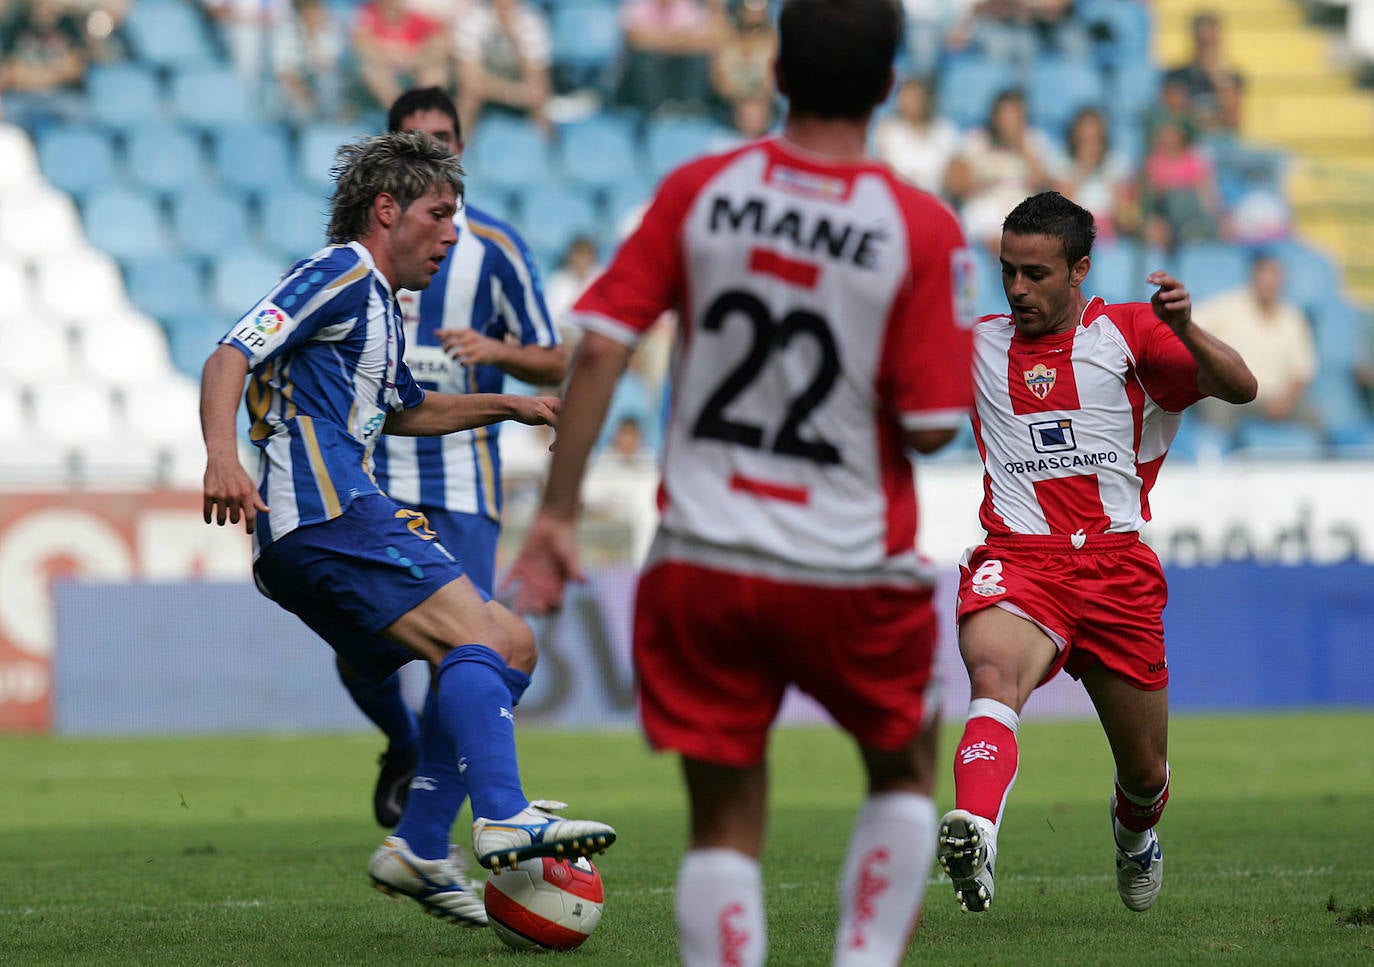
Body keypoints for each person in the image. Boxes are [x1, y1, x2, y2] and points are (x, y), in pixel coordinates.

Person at [507, 2, 975, 964]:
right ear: (890, 85)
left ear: (776, 72)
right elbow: (932, 427)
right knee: (905, 766)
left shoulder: (702, 190)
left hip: (704, 556)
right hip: (848, 561)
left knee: (721, 818)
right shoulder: (920, 227)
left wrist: (558, 512)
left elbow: (604, 346)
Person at [200, 130, 614, 930]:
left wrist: (512, 403)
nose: (453, 233)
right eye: (440, 214)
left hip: (325, 521)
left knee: (509, 642)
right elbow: (229, 354)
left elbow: (405, 411)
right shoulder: (340, 271)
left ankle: (422, 843)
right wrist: (222, 454)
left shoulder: (382, 304)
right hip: (326, 510)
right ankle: (501, 813)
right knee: (483, 638)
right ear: (386, 210)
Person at [935, 190, 1256, 916]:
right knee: (993, 675)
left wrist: (1187, 329)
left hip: (1117, 570)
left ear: (1079, 269)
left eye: (1036, 274)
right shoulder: (978, 345)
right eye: (1007, 271)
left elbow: (1242, 387)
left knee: (1145, 771)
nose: (1018, 288)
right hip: (1021, 560)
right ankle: (977, 830)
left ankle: (1135, 834)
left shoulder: (1130, 334)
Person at [356, 85, 568, 832]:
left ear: (462, 145)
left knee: (468, 646)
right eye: (415, 141)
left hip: (462, 484)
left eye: (443, 139)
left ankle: (427, 827)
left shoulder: (496, 249)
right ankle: (405, 745)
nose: (433, 152)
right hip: (370, 479)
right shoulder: (356, 258)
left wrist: (495, 349)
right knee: (361, 649)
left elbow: (554, 357)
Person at [1191, 251, 1319, 431]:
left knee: (1315, 417)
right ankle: (1216, 447)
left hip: (1275, 397)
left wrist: (1284, 402)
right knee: (1215, 405)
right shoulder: (1228, 305)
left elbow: (1302, 373)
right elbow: (1188, 325)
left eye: (1275, 276)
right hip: (1231, 393)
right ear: (1253, 277)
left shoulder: (1293, 317)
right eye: (1264, 275)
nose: (1269, 283)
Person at [452, 0, 554, 138]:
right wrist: (512, 93)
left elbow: (537, 80)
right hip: (490, 83)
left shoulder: (532, 20)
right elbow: (470, 80)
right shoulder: (471, 18)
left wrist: (514, 38)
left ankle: (549, 147)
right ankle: (456, 147)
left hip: (515, 79)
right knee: (467, 98)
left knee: (540, 101)